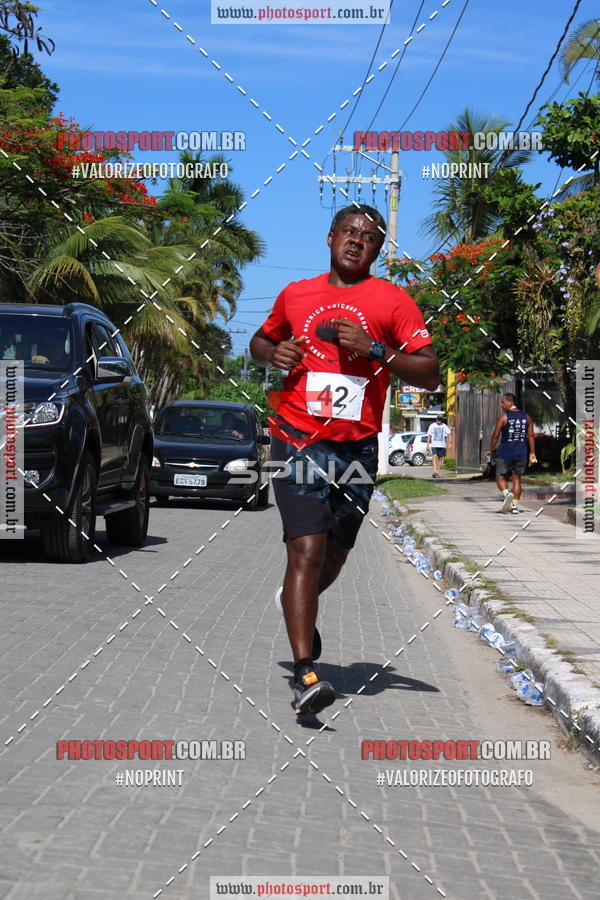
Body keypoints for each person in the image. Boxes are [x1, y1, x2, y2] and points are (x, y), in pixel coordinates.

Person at [249, 204, 440, 715]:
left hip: (356, 447)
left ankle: (297, 600)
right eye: (349, 232)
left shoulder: (393, 301)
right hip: (297, 437)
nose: (357, 241)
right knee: (306, 551)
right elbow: (260, 341)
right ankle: (305, 675)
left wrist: (376, 349)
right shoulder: (296, 294)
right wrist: (273, 354)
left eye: (368, 237)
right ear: (330, 237)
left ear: (378, 249)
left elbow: (429, 373)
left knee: (334, 554)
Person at [488, 392, 537, 514]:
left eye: (503, 402)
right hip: (522, 452)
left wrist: (491, 449)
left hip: (506, 452)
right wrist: (532, 452)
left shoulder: (504, 417)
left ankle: (507, 494)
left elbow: (495, 435)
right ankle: (514, 507)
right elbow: (531, 436)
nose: (501, 404)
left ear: (510, 402)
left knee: (499, 475)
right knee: (517, 479)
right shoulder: (527, 417)